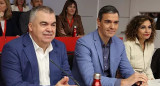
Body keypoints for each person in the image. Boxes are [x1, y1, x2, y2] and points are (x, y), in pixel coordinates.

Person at [72, 5, 148, 86]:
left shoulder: (119, 44)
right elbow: (90, 80)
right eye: (108, 22)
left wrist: (138, 81)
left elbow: (127, 70)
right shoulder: (84, 43)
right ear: (98, 22)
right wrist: (123, 82)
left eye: (115, 22)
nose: (112, 27)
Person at [1, 6, 75, 86]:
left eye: (53, 25)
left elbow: (68, 77)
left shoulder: (60, 47)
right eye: (44, 24)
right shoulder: (13, 49)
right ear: (31, 27)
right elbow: (15, 84)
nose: (50, 29)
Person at [124, 15, 156, 80]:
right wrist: (141, 79)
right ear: (135, 30)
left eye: (149, 27)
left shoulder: (151, 45)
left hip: (144, 79)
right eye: (143, 27)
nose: (147, 31)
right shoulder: (127, 45)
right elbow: (126, 69)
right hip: (131, 79)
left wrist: (153, 80)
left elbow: (147, 68)